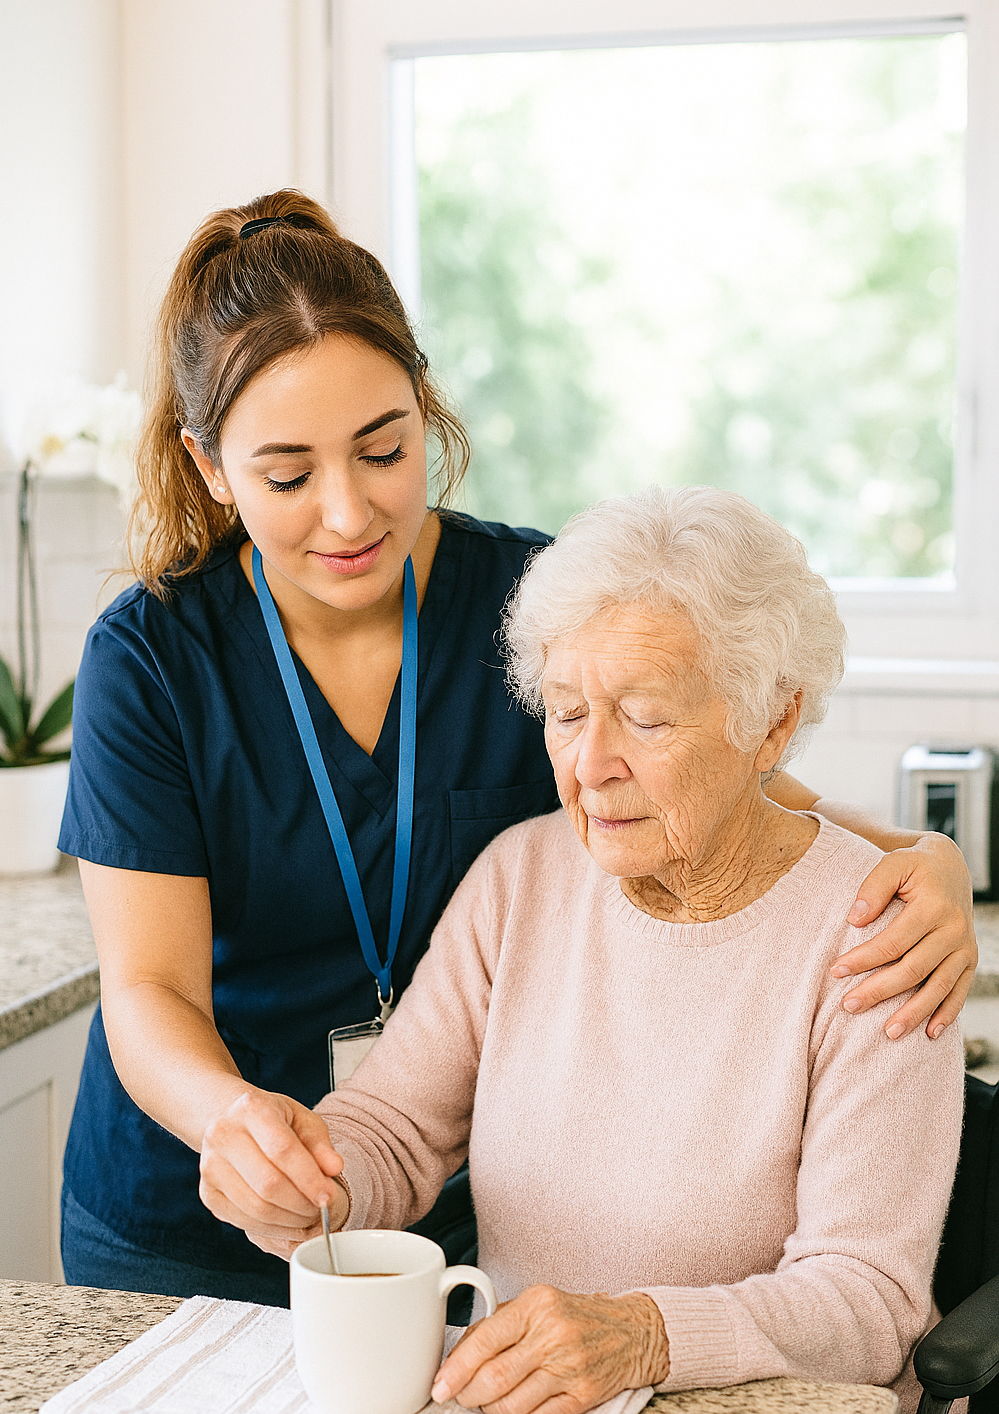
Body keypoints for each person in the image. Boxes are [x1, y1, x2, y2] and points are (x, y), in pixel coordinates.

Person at [60, 188, 975, 1311]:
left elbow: (736, 778)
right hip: (195, 1201)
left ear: (424, 411)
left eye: (384, 450)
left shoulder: (531, 602)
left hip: (424, 1198)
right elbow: (147, 987)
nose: (347, 514)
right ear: (210, 468)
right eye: (288, 476)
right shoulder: (154, 656)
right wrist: (236, 1120)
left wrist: (924, 865)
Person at [226, 488, 964, 1414]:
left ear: (774, 720)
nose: (590, 763)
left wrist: (645, 1337)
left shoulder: (879, 935)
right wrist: (303, 1177)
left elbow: (862, 1300)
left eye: (647, 716)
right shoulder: (517, 881)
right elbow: (392, 1131)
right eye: (567, 713)